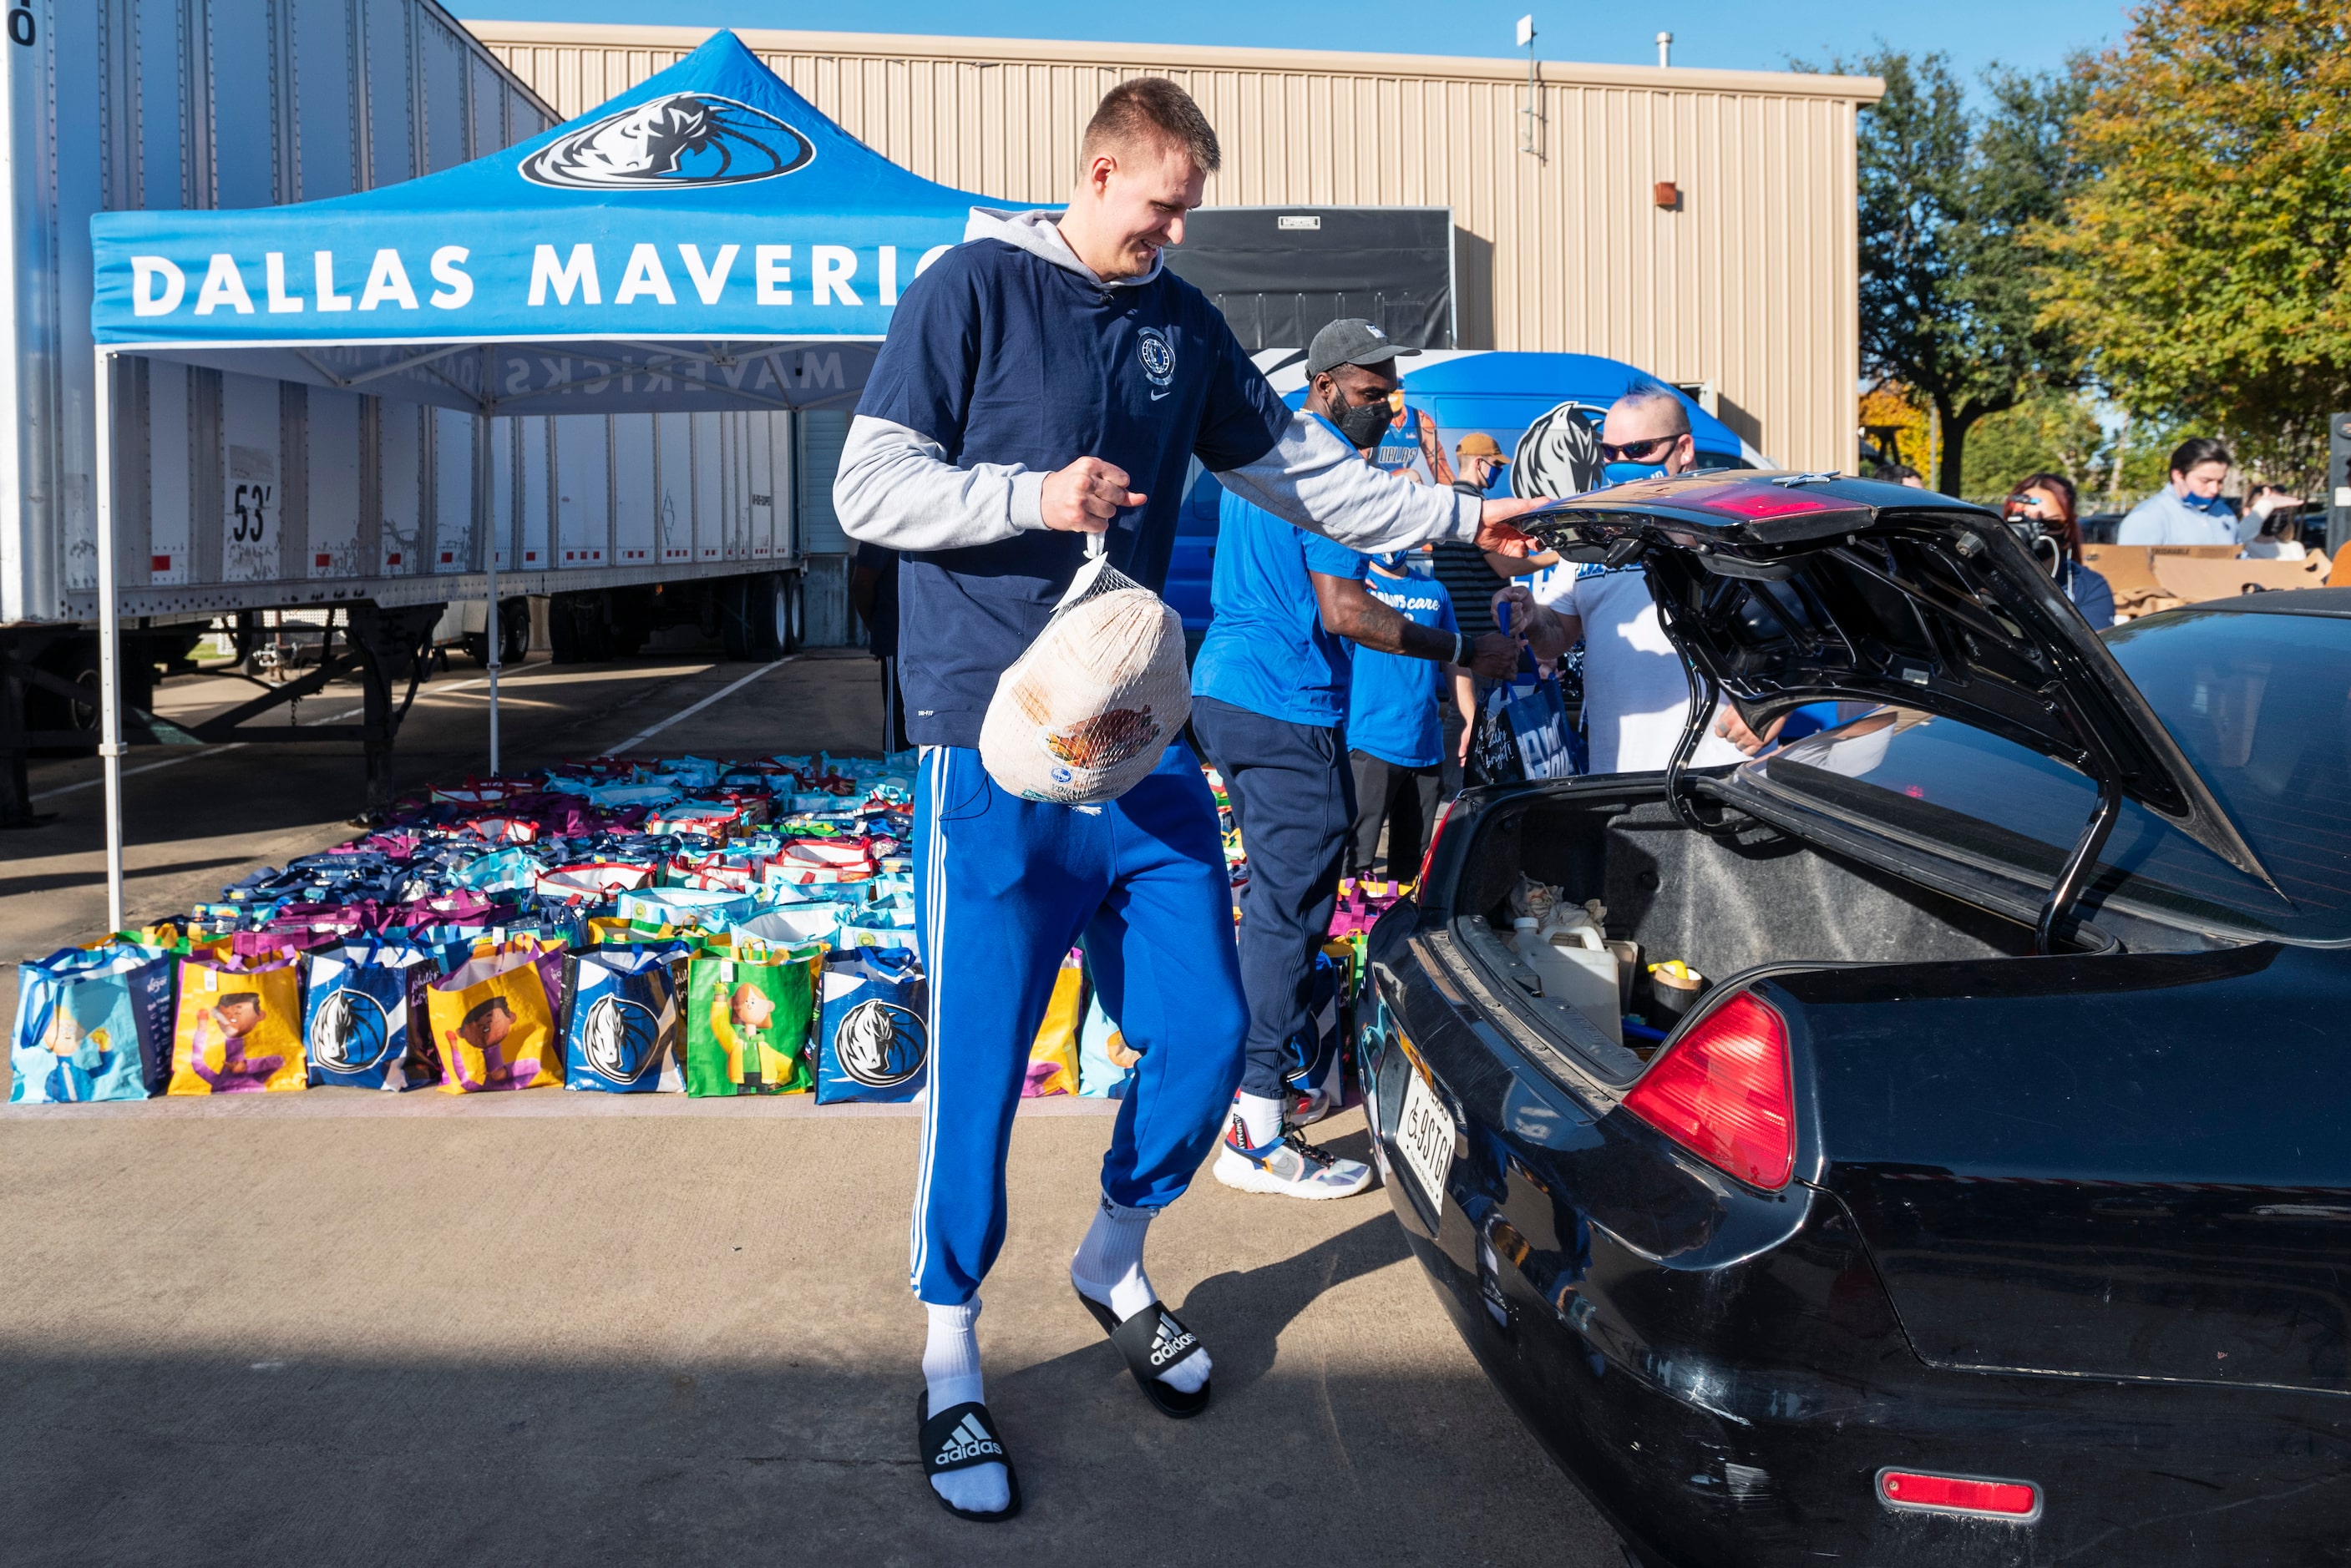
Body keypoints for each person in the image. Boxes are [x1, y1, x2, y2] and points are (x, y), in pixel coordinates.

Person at [832, 78, 1537, 1523]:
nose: (1172, 229)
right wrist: (1028, 498)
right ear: (1095, 175)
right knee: (978, 1073)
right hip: (993, 748)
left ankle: (1112, 1257)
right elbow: (868, 486)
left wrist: (1469, 518)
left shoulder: (1184, 325)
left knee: (1214, 1030)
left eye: (1186, 210)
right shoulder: (969, 288)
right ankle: (952, 1353)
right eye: (1158, 203)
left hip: (1134, 745)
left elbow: (1312, 481)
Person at [1192, 316, 1521, 1198]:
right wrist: (1459, 653)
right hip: (1279, 701)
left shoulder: (1271, 456)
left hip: (1235, 691)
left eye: (1393, 393)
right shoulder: (1324, 472)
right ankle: (1256, 1133)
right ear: (1325, 385)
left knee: (1279, 902)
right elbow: (1348, 613)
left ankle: (1259, 1094)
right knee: (1288, 911)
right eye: (1374, 395)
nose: (1388, 409)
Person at [1517, 387, 1747, 774]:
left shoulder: (1733, 528)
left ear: (1684, 449)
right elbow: (1558, 633)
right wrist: (1528, 615)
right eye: (1610, 452)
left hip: (1717, 774)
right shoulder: (1591, 534)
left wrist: (1775, 711)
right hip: (1615, 773)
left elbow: (1805, 638)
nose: (1621, 463)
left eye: (1638, 449)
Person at [1346, 544, 1476, 878]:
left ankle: (1400, 928)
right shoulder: (1353, 586)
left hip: (1425, 747)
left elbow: (1455, 657)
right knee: (1355, 862)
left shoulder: (1435, 591)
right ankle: (1350, 929)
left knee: (1412, 866)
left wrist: (1469, 718)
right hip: (1368, 742)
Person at [2004, 472, 2116, 627]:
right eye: (2023, 522)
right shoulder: (1981, 573)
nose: (2034, 533)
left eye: (2050, 523)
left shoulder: (2088, 587)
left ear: (2068, 528)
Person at [2116, 438, 2239, 544]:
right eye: (2205, 481)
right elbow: (2130, 569)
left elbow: (2240, 561)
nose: (2215, 489)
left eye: (2220, 481)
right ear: (2178, 475)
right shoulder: (2148, 518)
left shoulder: (2224, 513)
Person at [849, 541, 908, 752]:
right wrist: (879, 628)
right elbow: (861, 584)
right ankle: (897, 773)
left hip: (922, 638)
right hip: (898, 639)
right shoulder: (882, 529)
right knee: (900, 722)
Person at [1451, 432, 1508, 497]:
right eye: (1496, 463)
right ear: (1478, 463)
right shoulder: (1467, 501)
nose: (1500, 468)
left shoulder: (1451, 498)